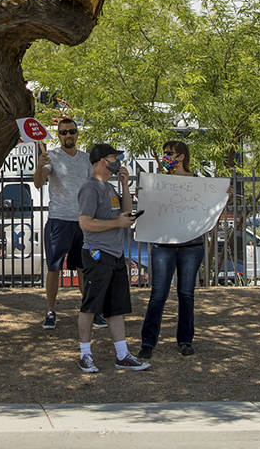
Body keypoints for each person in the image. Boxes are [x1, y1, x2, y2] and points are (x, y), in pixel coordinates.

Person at [75, 143, 149, 373]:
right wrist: (117, 223)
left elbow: (125, 213)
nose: (116, 162)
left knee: (116, 308)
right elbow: (85, 223)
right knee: (90, 306)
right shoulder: (91, 188)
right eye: (112, 158)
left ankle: (122, 354)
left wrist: (125, 187)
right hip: (97, 254)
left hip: (116, 253)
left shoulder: (109, 188)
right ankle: (85, 354)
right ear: (100, 162)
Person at [137, 140, 205, 360]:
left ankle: (185, 340)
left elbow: (208, 207)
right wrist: (143, 194)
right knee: (158, 294)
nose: (166, 157)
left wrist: (226, 195)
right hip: (164, 245)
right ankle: (148, 342)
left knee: (186, 294)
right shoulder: (158, 181)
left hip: (191, 246)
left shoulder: (197, 182)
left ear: (181, 157)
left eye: (170, 153)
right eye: (164, 153)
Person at [33, 116, 94, 330]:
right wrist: (40, 167)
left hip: (82, 221)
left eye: (71, 131)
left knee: (83, 267)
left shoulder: (86, 159)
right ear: (58, 135)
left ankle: (90, 310)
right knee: (54, 268)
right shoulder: (50, 156)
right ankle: (50, 311)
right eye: (63, 132)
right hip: (59, 219)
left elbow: (94, 187)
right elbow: (39, 183)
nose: (68, 135)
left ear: (77, 134)